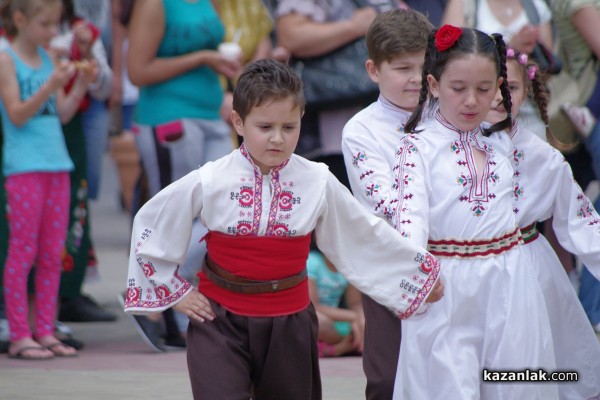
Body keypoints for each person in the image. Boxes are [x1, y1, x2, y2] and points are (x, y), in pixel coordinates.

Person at [123, 58, 444, 399]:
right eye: (265, 127)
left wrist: (415, 274)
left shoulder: (316, 179)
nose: (277, 138)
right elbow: (152, 221)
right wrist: (176, 292)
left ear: (301, 120)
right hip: (219, 320)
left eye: (288, 127)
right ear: (238, 122)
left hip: (289, 322)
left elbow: (362, 235)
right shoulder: (212, 178)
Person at [390, 25, 558, 399]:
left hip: (509, 281)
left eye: (484, 89)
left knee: (514, 382)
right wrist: (417, 271)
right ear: (432, 84)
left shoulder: (503, 139)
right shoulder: (416, 147)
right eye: (458, 88)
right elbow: (410, 216)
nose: (471, 101)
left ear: (499, 85)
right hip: (445, 287)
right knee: (451, 383)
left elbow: (553, 176)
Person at [124, 0, 242, 351]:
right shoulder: (154, 4)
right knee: (174, 217)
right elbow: (137, 72)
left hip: (210, 113)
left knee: (223, 211)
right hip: (169, 116)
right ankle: (153, 296)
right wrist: (203, 58)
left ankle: (162, 298)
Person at [485, 47, 600, 399]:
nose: (500, 97)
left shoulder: (543, 156)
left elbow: (580, 222)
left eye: (512, 88)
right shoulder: (435, 147)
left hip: (530, 268)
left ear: (528, 92)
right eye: (488, 86)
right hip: (470, 271)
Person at [341, 8, 434, 400]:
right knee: (387, 375)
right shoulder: (361, 130)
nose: (416, 78)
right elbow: (387, 202)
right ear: (373, 69)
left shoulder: (453, 115)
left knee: (449, 366)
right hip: (389, 266)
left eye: (424, 65)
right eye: (402, 67)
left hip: (457, 259)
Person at [0, 0, 96, 359]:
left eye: (55, 24)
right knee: (23, 251)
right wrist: (50, 84)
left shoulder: (47, 58)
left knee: (53, 254)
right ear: (20, 19)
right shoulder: (6, 58)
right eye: (45, 24)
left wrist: (81, 83)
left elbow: (63, 112)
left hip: (57, 165)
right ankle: (19, 334)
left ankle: (45, 329)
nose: (53, 32)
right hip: (24, 167)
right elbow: (18, 114)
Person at [49, 0, 117, 325]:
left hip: (74, 125)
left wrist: (88, 52)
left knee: (77, 200)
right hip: (37, 130)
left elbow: (103, 87)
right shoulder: (19, 39)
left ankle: (70, 290)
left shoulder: (82, 29)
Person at [306, 247, 364, 358]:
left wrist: (361, 319)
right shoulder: (313, 261)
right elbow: (314, 307)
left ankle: (346, 345)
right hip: (318, 317)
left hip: (339, 322)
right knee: (317, 322)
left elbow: (355, 304)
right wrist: (354, 317)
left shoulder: (349, 266)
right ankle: (343, 347)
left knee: (366, 323)